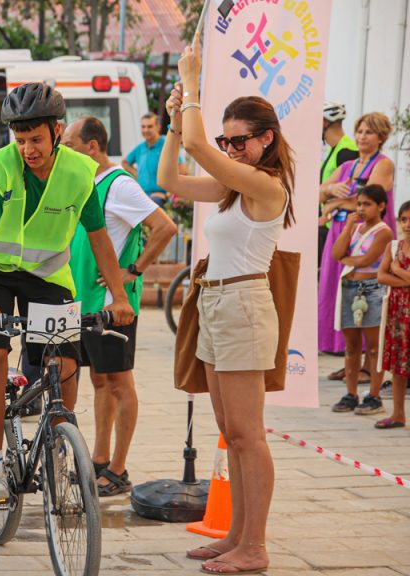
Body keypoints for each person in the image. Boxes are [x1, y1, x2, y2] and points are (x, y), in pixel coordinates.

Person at [0, 83, 135, 505]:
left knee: (66, 362)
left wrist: (120, 297)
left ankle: (58, 444)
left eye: (36, 139)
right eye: (20, 141)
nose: (27, 149)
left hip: (48, 277)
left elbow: (99, 238)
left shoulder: (78, 172)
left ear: (57, 132)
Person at [159, 32, 294, 574]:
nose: (232, 149)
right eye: (227, 140)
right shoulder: (234, 186)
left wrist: (192, 83)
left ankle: (255, 546)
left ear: (266, 139)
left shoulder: (266, 185)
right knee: (231, 432)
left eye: (240, 141)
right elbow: (171, 178)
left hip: (241, 303)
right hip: (216, 303)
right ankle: (237, 534)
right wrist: (174, 120)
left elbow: (198, 150)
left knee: (248, 434)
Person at [62, 115, 177, 497]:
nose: (64, 150)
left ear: (92, 147)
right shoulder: (84, 182)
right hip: (84, 301)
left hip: (112, 305)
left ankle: (119, 468)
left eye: (70, 144)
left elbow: (164, 227)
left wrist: (134, 271)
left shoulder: (119, 185)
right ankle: (99, 459)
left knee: (119, 382)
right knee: (98, 380)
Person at [319, 112, 396, 355]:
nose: (362, 137)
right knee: (334, 290)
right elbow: (319, 193)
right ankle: (342, 351)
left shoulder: (383, 163)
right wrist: (331, 189)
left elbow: (369, 200)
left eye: (369, 132)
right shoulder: (347, 166)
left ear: (381, 137)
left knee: (366, 294)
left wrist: (334, 204)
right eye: (360, 131)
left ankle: (365, 359)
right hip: (342, 232)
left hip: (369, 236)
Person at [330, 185, 393, 415]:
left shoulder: (383, 231)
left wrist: (347, 258)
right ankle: (351, 393)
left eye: (367, 204)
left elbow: (368, 258)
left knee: (374, 347)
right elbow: (336, 254)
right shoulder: (355, 228)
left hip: (372, 288)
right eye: (359, 204)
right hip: (349, 287)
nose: (361, 209)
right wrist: (347, 228)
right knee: (352, 346)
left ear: (381, 206)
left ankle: (375, 395)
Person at [376, 200, 410, 429]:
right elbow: (381, 276)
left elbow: (390, 272)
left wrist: (397, 270)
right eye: (403, 219)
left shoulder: (397, 258)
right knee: (399, 365)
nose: (407, 224)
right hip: (398, 314)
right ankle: (398, 414)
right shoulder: (394, 246)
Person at [319, 101, 359, 267]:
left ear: (324, 123)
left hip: (336, 226)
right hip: (329, 223)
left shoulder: (346, 151)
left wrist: (325, 217)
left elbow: (349, 193)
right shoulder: (333, 149)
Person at [122, 112, 186, 207]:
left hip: (159, 199)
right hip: (143, 195)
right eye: (143, 127)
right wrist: (137, 174)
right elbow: (125, 163)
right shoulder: (140, 147)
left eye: (149, 126)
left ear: (158, 127)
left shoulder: (166, 144)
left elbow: (183, 170)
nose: (146, 130)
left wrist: (167, 195)